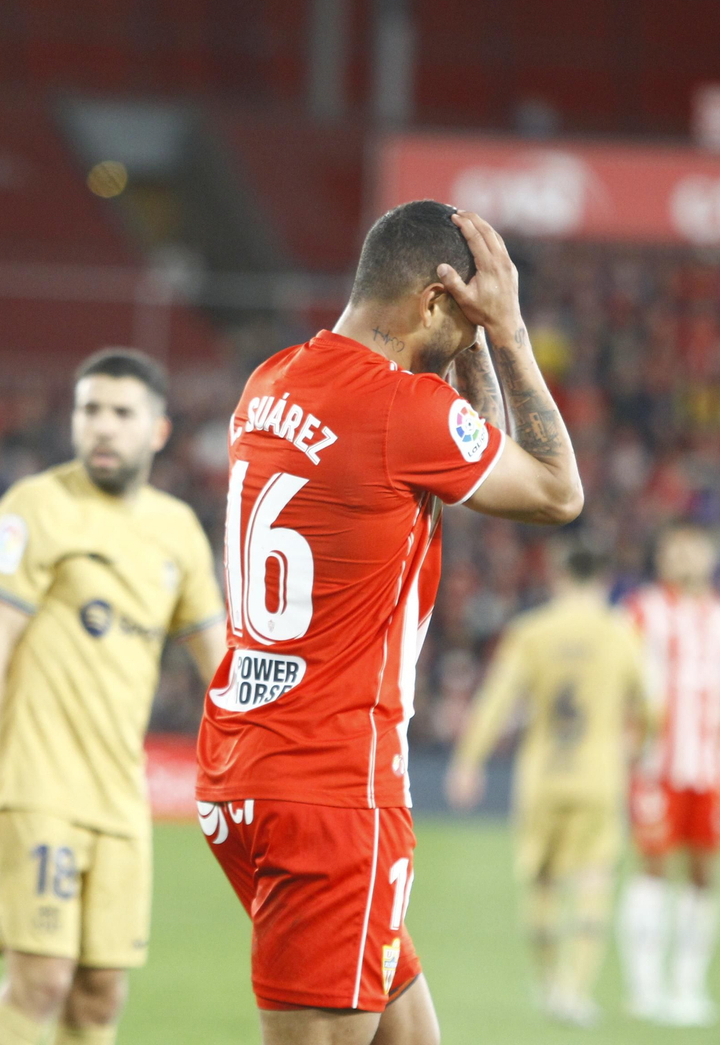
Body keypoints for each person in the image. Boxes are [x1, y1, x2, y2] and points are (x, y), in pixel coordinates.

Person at [196, 201, 583, 1045]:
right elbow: (557, 492)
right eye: (464, 315)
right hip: (335, 790)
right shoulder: (401, 411)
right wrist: (508, 333)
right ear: (435, 301)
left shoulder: (271, 381)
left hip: (242, 765)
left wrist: (466, 343)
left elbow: (468, 447)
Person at [0, 349, 226, 1045]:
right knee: (41, 982)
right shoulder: (35, 510)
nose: (103, 427)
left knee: (99, 997)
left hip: (120, 800)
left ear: (158, 430)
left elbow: (223, 669)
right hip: (34, 787)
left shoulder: (177, 530)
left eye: (122, 413)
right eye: (90, 410)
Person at [445, 542, 649, 1027]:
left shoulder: (532, 631)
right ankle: (575, 992)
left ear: (558, 577)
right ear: (603, 580)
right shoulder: (621, 632)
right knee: (595, 879)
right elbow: (652, 704)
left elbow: (497, 699)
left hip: (542, 776)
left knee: (541, 884)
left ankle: (547, 982)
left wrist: (468, 762)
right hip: (598, 775)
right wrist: (638, 747)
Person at [617, 524, 720, 1027]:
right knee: (651, 865)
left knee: (704, 872)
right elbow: (623, 684)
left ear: (711, 556)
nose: (686, 557)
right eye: (676, 549)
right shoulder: (641, 610)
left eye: (695, 548)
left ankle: (690, 985)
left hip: (711, 764)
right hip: (656, 761)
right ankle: (644, 986)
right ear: (662, 557)